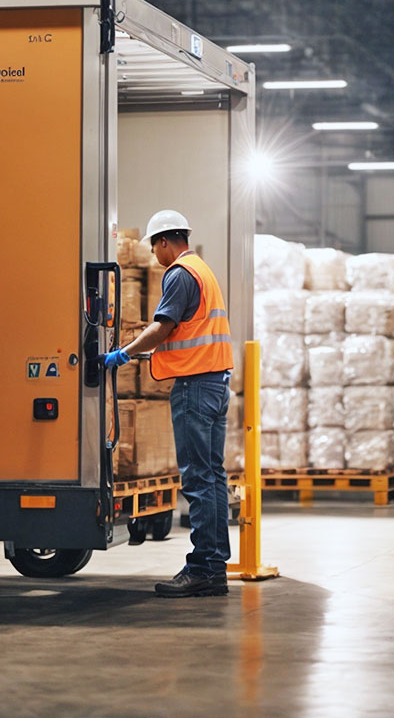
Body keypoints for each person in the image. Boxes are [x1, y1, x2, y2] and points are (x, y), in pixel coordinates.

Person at [104, 210, 234, 597]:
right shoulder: (202, 270)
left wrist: (122, 354)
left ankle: (203, 567)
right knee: (212, 476)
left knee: (197, 478)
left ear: (163, 241)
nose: (155, 255)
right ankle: (213, 566)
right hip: (215, 383)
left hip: (196, 387)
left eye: (154, 246)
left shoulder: (179, 274)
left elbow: (163, 327)